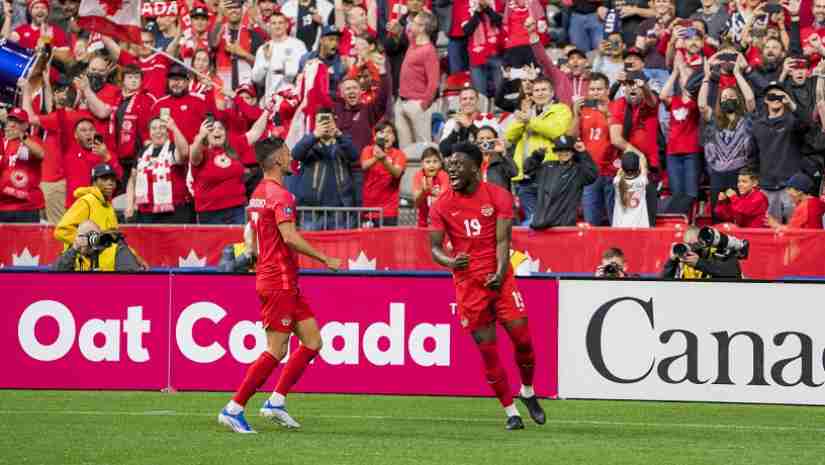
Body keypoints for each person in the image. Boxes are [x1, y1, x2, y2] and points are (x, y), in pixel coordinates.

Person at [218, 136, 343, 434]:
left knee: (313, 342)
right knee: (276, 350)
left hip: (278, 277)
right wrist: (325, 258)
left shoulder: (259, 193)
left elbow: (259, 236)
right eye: (287, 154)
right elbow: (289, 237)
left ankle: (276, 402)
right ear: (276, 161)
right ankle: (233, 408)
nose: (291, 158)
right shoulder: (280, 196)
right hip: (279, 280)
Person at [428, 142, 545, 431]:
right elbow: (434, 248)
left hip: (500, 278)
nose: (451, 169)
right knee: (488, 352)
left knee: (523, 342)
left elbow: (503, 240)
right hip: (469, 286)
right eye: (449, 164)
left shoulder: (498, 196)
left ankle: (528, 391)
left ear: (476, 167)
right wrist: (452, 262)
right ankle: (510, 412)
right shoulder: (442, 204)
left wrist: (501, 271)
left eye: (458, 164)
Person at [504, 76, 573, 224]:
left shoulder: (561, 109)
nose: (540, 93)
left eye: (544, 90)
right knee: (532, 218)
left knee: (548, 218)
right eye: (536, 90)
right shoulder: (528, 111)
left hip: (549, 172)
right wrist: (521, 120)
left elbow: (558, 131)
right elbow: (509, 137)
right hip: (524, 175)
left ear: (552, 92)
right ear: (532, 94)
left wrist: (530, 120)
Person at [698, 52, 756, 222]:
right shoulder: (714, 120)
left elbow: (751, 99)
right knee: (718, 213)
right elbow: (702, 106)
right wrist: (707, 77)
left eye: (732, 97)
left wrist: (738, 74)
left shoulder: (746, 120)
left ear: (738, 100)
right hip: (717, 173)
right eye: (724, 97)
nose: (728, 99)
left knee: (738, 214)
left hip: (739, 173)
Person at [190, 109, 271, 224]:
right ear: (206, 135)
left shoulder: (234, 146)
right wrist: (199, 137)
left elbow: (255, 132)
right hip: (210, 213)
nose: (217, 131)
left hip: (237, 210)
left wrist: (267, 110)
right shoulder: (202, 152)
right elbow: (193, 157)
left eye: (220, 128)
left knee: (239, 242)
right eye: (212, 129)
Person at [750, 81, 809, 224]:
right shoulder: (758, 125)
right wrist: (755, 180)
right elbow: (753, 154)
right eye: (771, 96)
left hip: (790, 188)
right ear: (765, 99)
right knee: (771, 233)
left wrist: (791, 104)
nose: (776, 99)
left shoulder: (792, 121)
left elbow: (808, 124)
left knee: (794, 231)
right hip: (766, 186)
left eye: (780, 96)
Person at [291, 108, 359, 230]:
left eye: (328, 121)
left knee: (340, 248)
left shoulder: (343, 141)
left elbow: (354, 156)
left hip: (339, 210)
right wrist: (314, 136)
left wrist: (339, 135)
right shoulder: (308, 142)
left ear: (335, 122)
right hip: (311, 210)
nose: (325, 124)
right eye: (321, 121)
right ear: (315, 124)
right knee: (309, 246)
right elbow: (296, 154)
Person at [125, 117, 193, 224]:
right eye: (154, 128)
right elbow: (133, 180)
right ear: (149, 132)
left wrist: (174, 128)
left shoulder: (173, 148)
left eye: (162, 127)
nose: (158, 131)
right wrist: (130, 205)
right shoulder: (143, 152)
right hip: (147, 213)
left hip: (175, 212)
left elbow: (184, 153)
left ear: (167, 131)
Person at [569, 73, 616, 226]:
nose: (595, 92)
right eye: (592, 89)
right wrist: (575, 114)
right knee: (591, 221)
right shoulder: (583, 110)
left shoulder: (617, 107)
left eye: (599, 89)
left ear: (608, 90)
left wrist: (607, 114)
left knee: (614, 221)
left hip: (612, 171)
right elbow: (571, 137)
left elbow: (622, 136)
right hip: (590, 173)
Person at [524, 136, 597, 229]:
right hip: (542, 223)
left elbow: (592, 175)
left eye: (567, 150)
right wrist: (538, 155)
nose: (564, 153)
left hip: (564, 224)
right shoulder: (547, 166)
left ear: (573, 152)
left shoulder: (578, 170)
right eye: (560, 150)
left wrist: (583, 153)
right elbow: (528, 169)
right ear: (556, 152)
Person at [395, 11, 440, 147]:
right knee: (404, 148)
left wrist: (423, 105)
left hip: (417, 104)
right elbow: (402, 31)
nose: (410, 25)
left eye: (414, 23)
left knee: (423, 146)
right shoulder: (413, 43)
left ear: (422, 28)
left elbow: (433, 82)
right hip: (401, 101)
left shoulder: (429, 51)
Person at [54, 163, 118, 248]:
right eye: (104, 179)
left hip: (104, 260)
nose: (110, 183)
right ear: (94, 182)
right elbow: (61, 231)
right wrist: (91, 242)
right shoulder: (86, 201)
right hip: (83, 260)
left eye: (113, 179)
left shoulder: (109, 206)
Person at [0, 108, 46, 222]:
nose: (13, 125)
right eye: (10, 120)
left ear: (26, 125)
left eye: (18, 122)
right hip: (3, 206)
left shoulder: (33, 140)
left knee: (29, 240)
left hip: (28, 207)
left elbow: (40, 154)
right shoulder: (2, 142)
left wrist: (22, 137)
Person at [251, 12, 308, 104]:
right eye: (274, 23)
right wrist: (266, 61)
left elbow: (306, 72)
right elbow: (256, 79)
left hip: (293, 100)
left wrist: (288, 71)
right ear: (269, 26)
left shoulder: (298, 45)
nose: (277, 26)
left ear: (286, 25)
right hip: (271, 101)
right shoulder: (264, 48)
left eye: (280, 23)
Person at [360, 121, 406, 226]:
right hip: (369, 210)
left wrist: (384, 159)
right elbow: (364, 166)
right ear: (375, 137)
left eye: (389, 132)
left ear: (394, 138)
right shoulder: (367, 150)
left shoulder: (399, 154)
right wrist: (376, 157)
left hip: (389, 212)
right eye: (381, 132)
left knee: (387, 243)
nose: (385, 135)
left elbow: (397, 173)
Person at [53, 220, 144, 271]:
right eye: (80, 235)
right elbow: (55, 275)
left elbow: (131, 279)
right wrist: (74, 249)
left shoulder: (117, 250)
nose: (82, 240)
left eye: (88, 235)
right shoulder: (73, 252)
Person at [661, 225, 743, 279]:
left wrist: (699, 263)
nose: (692, 250)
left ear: (704, 243)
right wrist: (671, 261)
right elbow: (664, 283)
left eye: (696, 245)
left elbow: (734, 272)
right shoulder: (682, 258)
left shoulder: (719, 253)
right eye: (689, 245)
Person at [612, 151, 650, 227]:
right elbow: (644, 169)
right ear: (637, 167)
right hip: (639, 228)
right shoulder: (642, 181)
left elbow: (620, 173)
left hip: (620, 227)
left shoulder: (616, 181)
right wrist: (641, 159)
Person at [412, 146, 448, 227]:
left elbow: (445, 198)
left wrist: (432, 192)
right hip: (423, 223)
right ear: (422, 164)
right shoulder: (418, 176)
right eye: (428, 162)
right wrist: (423, 191)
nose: (431, 165)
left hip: (441, 223)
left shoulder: (443, 175)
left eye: (435, 161)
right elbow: (416, 203)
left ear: (440, 163)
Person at [477, 126, 516, 192]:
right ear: (476, 140)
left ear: (495, 140)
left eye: (489, 138)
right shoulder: (472, 159)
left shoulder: (501, 157)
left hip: (499, 199)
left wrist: (504, 153)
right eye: (481, 138)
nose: (485, 142)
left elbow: (514, 173)